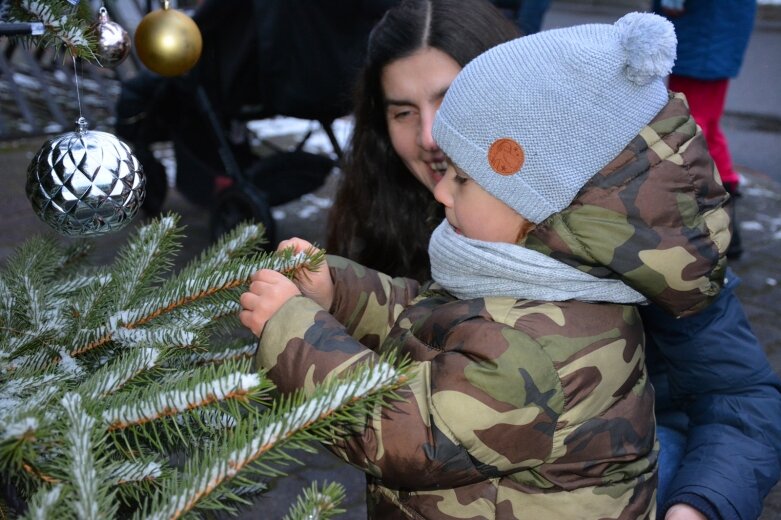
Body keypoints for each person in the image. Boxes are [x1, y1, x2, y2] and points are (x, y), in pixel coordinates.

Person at [241, 13, 720, 516]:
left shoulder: (538, 343)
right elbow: (434, 322)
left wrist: (292, 330)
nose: (442, 189)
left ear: (539, 197)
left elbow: (408, 433)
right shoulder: (539, 273)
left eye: (464, 178)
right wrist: (337, 292)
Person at [652, 0, 757, 261]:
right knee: (704, 125)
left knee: (692, 127)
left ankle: (713, 226)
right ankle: (725, 226)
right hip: (712, 23)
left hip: (704, 24)